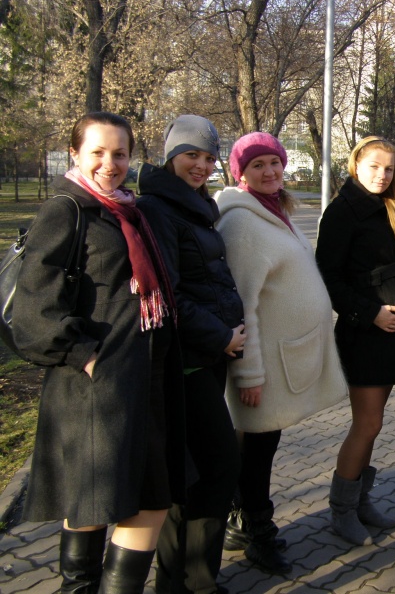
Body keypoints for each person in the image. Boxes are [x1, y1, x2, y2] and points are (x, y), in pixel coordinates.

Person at [13, 111, 183, 593]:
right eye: (98, 152)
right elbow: (35, 305)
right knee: (107, 501)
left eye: (120, 154)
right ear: (75, 154)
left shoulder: (132, 211)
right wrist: (87, 357)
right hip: (97, 387)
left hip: (146, 377)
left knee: (133, 498)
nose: (110, 164)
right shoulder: (67, 209)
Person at [214, 132, 347, 573]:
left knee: (259, 446)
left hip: (282, 356)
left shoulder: (273, 209)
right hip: (264, 364)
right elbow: (241, 305)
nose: (270, 171)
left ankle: (240, 520)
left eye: (274, 162)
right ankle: (259, 534)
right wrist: (249, 374)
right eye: (258, 165)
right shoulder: (242, 223)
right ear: (241, 173)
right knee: (258, 451)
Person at [137, 115, 245, 594]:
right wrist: (221, 336)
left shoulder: (195, 204)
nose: (201, 165)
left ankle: (181, 580)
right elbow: (169, 293)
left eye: (208, 157)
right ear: (170, 156)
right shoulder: (159, 208)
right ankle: (195, 581)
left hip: (208, 356)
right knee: (217, 466)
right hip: (186, 359)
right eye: (191, 155)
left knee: (193, 471)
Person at [316, 135, 395, 546]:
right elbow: (328, 277)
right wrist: (371, 313)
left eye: (389, 168)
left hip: (390, 336)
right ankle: (342, 510)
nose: (382, 175)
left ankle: (360, 501)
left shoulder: (387, 206)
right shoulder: (342, 211)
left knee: (373, 424)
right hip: (365, 333)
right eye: (374, 167)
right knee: (367, 423)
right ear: (355, 165)